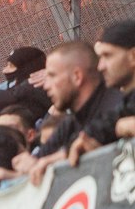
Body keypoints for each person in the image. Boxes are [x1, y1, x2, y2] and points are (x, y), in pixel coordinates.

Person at [30, 39, 121, 167]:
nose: (46, 86)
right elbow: (38, 159)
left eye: (52, 76)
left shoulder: (118, 108)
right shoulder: (71, 122)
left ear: (77, 76)